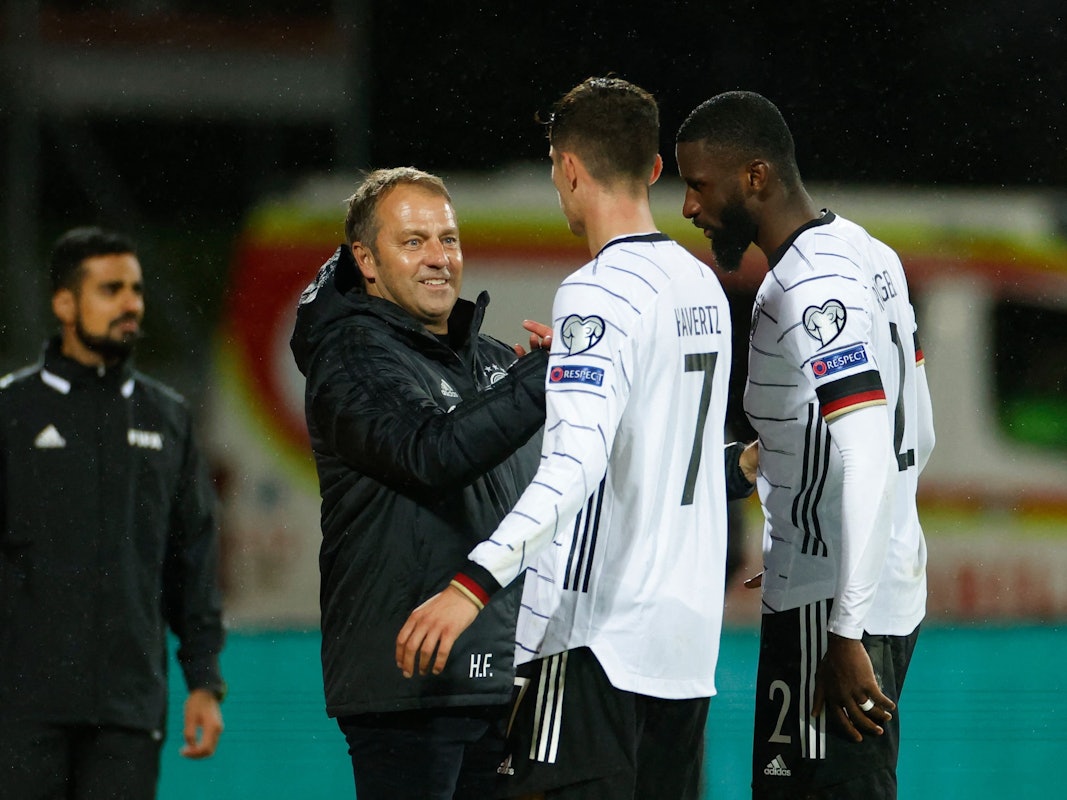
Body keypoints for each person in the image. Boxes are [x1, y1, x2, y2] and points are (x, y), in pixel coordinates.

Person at [397, 77, 756, 800]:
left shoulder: (595, 291)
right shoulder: (702, 288)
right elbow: (656, 452)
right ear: (655, 169)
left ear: (566, 169)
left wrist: (472, 584)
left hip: (596, 641)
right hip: (682, 650)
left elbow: (574, 466)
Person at [675, 91, 936, 799]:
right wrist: (800, 518)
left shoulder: (808, 285)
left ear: (754, 177)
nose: (688, 208)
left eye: (698, 184)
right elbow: (921, 427)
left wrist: (842, 621)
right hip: (862, 579)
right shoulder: (866, 252)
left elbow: (868, 452)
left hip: (834, 609)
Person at [288, 167, 552, 800]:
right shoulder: (351, 356)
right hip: (408, 689)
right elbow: (429, 452)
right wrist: (542, 379)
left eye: (449, 239)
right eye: (413, 242)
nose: (439, 259)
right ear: (366, 260)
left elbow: (566, 477)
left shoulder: (490, 360)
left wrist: (732, 468)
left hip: (501, 680)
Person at [0, 227, 226, 799]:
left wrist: (203, 681)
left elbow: (192, 556)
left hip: (127, 708)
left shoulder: (168, 416)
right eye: (111, 289)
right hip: (21, 711)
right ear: (64, 303)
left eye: (136, 289)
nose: (132, 304)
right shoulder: (11, 411)